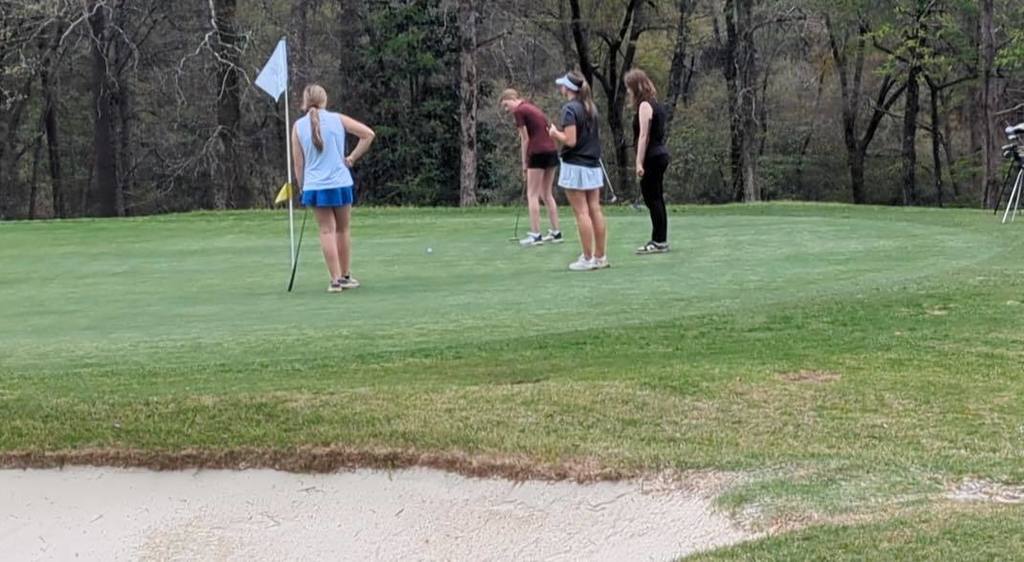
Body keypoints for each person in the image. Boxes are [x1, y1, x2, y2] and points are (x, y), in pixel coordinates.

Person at [291, 84, 375, 293]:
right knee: (343, 229)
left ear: (305, 102)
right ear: (324, 100)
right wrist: (352, 158)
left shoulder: (298, 126)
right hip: (340, 182)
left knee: (326, 230)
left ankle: (335, 280)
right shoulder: (338, 119)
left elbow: (298, 163)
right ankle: (345, 276)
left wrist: (302, 187)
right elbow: (368, 134)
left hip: (316, 186)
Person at [548, 71, 609, 271]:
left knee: (581, 212)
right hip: (592, 164)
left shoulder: (569, 109)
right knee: (595, 209)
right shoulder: (590, 108)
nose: (560, 88)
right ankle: (600, 257)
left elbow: (571, 140)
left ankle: (587, 257)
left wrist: (555, 133)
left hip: (576, 165)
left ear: (568, 89)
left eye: (563, 86)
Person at [499, 89, 563, 247]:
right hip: (551, 151)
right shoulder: (531, 107)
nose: (507, 110)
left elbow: (525, 139)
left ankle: (536, 235)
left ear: (512, 99)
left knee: (532, 194)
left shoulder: (519, 111)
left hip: (537, 152)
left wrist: (524, 163)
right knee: (546, 193)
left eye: (506, 105)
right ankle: (556, 232)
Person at [625, 69, 671, 254]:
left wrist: (638, 162)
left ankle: (658, 240)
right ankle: (660, 239)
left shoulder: (645, 106)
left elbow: (644, 136)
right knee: (656, 198)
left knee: (652, 199)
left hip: (652, 156)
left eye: (629, 88)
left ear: (635, 87)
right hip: (660, 154)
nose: (628, 92)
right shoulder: (657, 104)